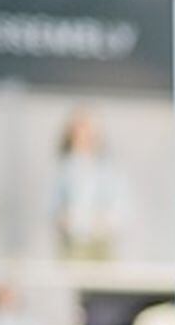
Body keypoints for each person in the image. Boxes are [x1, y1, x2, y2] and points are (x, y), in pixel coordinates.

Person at [53, 108, 128, 262]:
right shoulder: (63, 169)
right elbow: (54, 210)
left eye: (89, 132)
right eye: (79, 132)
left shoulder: (108, 170)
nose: (84, 137)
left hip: (102, 244)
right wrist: (70, 220)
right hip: (73, 245)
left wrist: (101, 222)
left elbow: (120, 209)